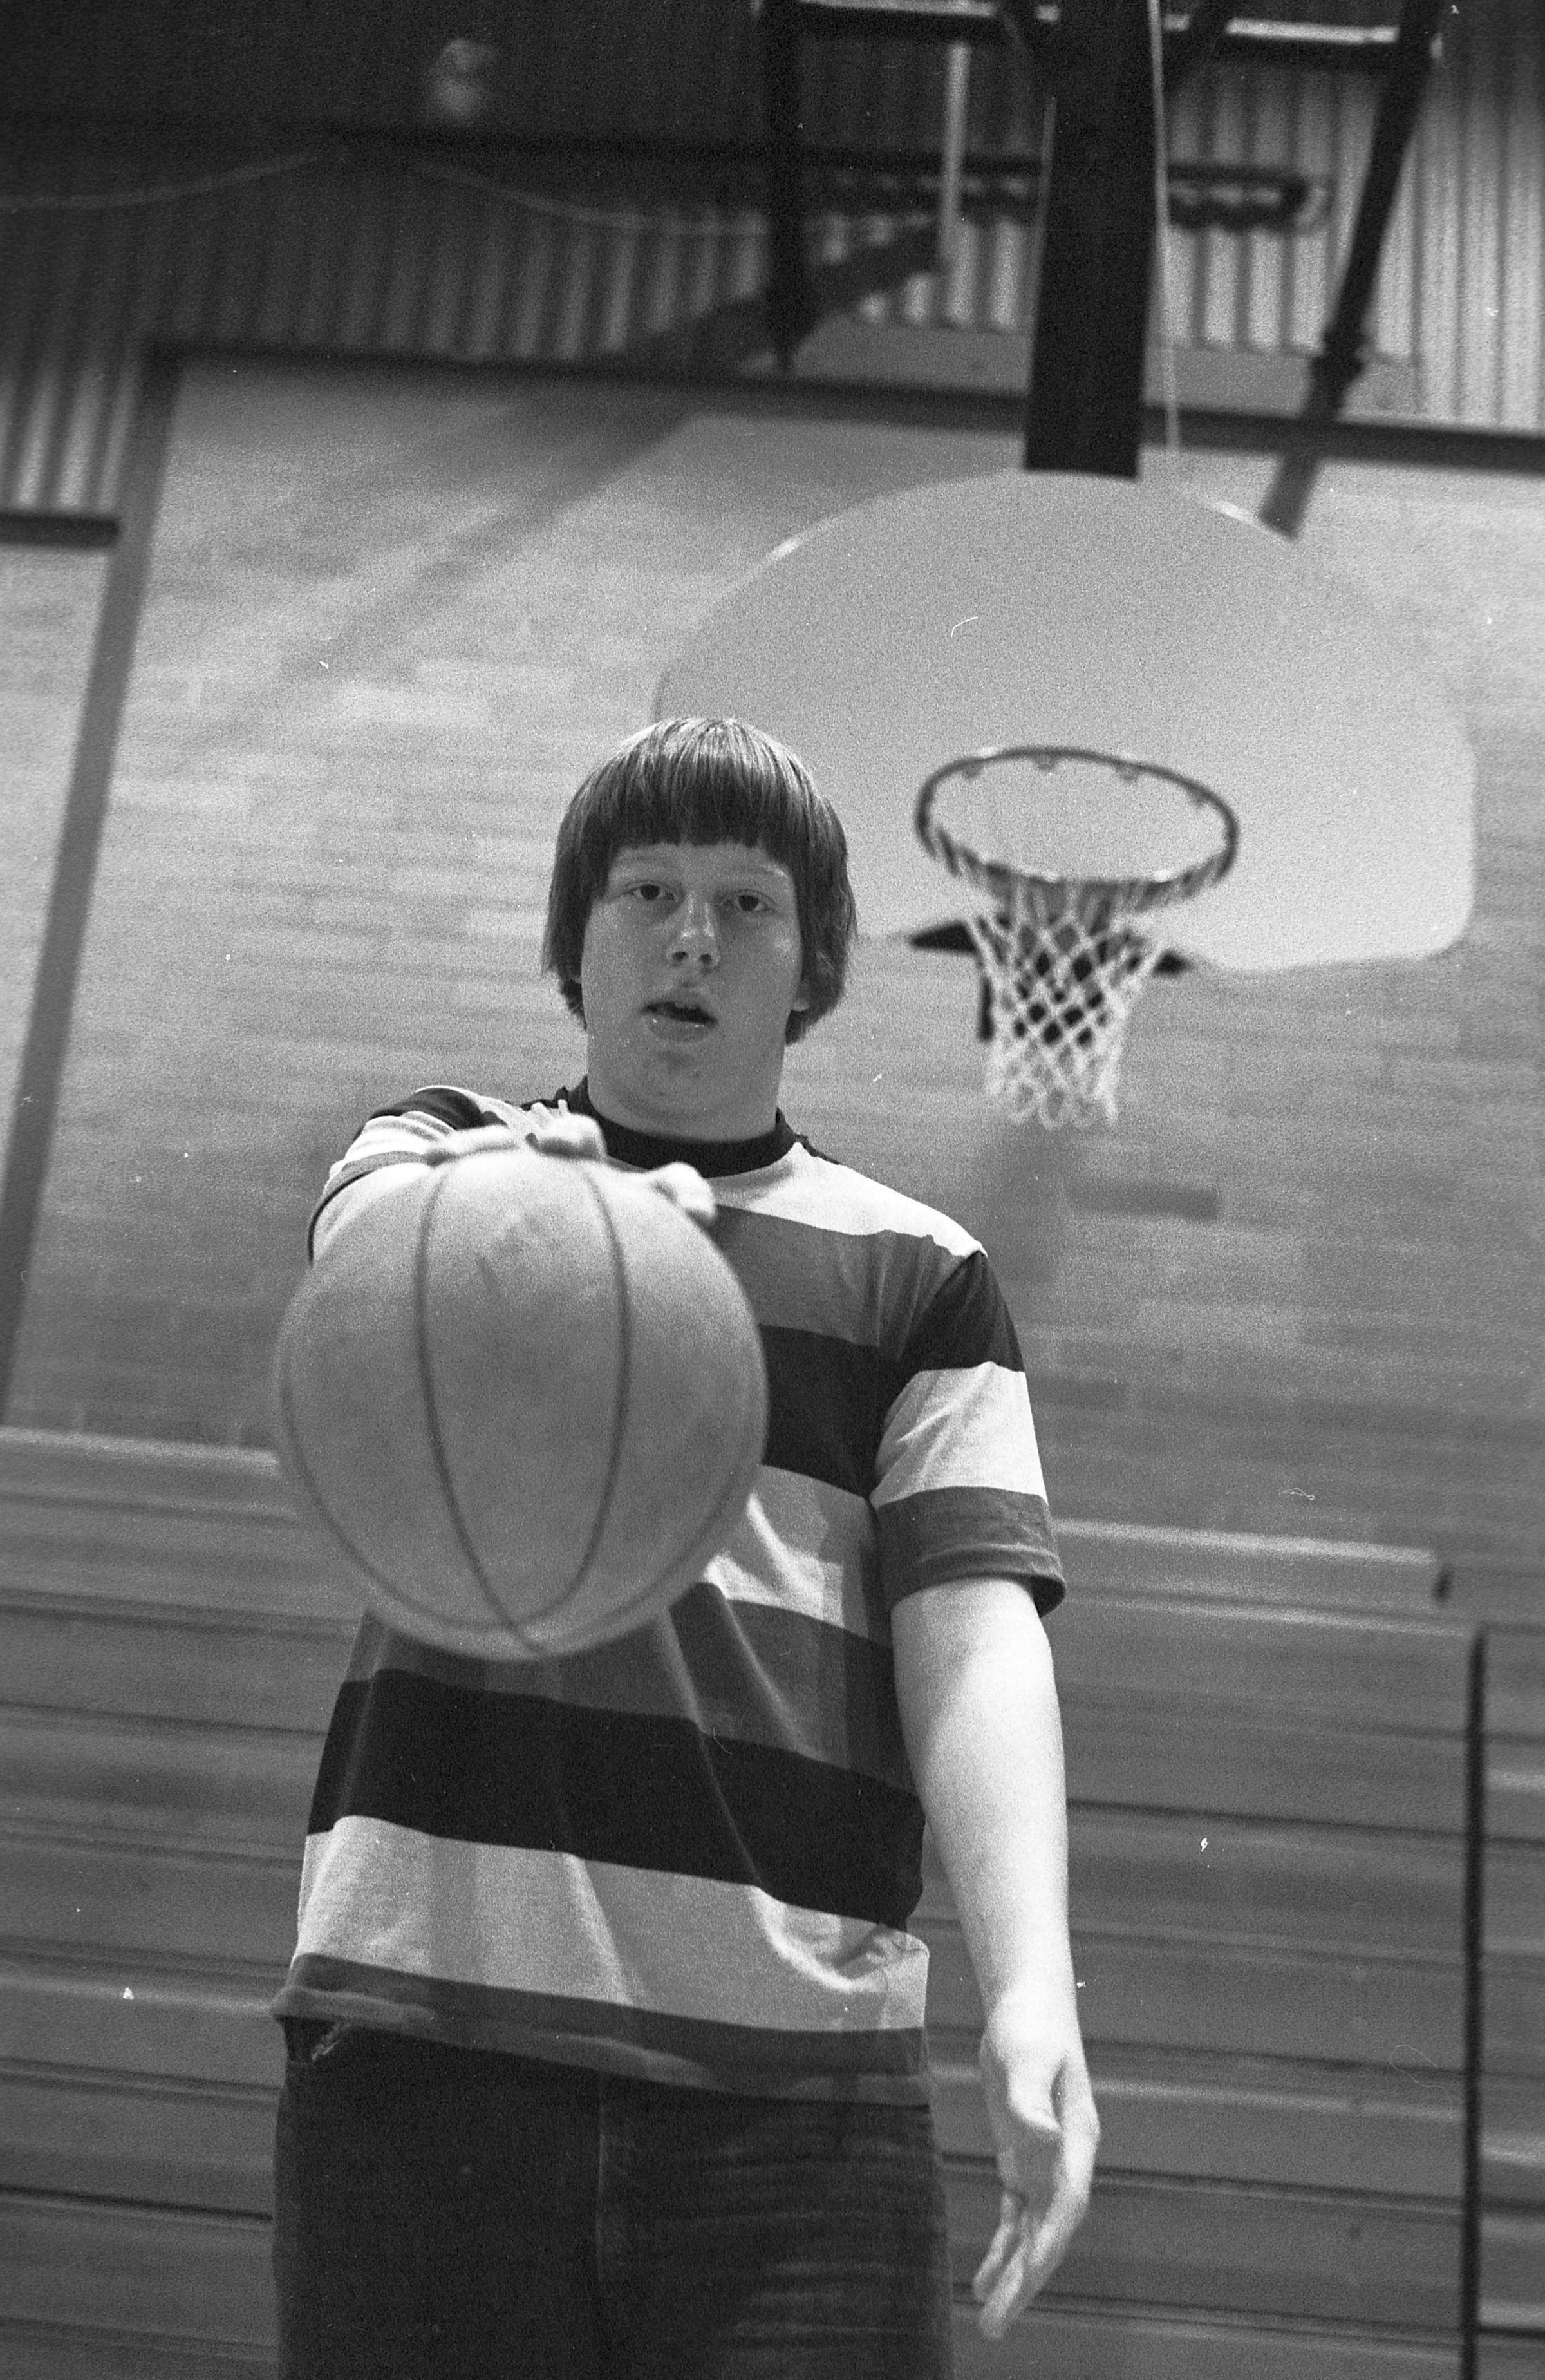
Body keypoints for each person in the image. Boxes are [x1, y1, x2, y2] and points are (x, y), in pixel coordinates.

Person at [271, 717, 1098, 2379]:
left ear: (813, 967)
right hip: (428, 2049)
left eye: (748, 902)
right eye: (648, 891)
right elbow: (369, 1265)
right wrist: (546, 1225)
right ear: (576, 941)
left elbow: (974, 1643)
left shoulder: (920, 1274)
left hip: (797, 2103)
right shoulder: (429, 1153)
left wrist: (1033, 1989)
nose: (695, 937)